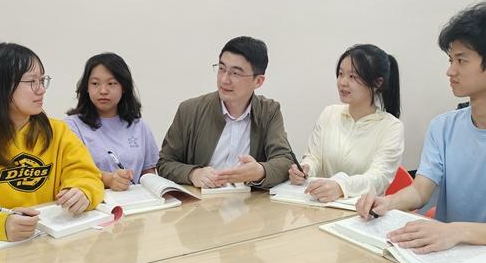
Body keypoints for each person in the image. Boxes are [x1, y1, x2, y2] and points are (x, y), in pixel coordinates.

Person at [357, 1, 486, 253]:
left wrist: (458, 231)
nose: (450, 71)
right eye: (451, 60)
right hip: (445, 258)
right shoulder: (443, 127)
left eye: (461, 61)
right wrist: (388, 202)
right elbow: (420, 191)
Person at [0, 43, 104, 242]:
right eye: (31, 81)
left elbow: (87, 174)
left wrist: (83, 191)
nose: (41, 90)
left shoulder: (57, 131)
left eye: (42, 80)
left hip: (49, 245)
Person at [157, 36, 292, 189]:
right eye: (221, 69)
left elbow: (285, 161)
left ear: (258, 81)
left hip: (249, 201)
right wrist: (193, 174)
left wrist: (260, 172)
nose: (224, 80)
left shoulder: (269, 111)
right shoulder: (190, 110)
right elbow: (164, 163)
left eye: (236, 73)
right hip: (201, 200)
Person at [289, 44, 404, 202]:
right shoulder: (329, 113)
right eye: (341, 74)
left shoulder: (391, 127)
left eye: (353, 77)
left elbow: (378, 177)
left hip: (361, 210)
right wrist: (305, 168)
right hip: (319, 205)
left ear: (377, 83)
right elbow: (314, 157)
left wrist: (341, 187)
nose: (342, 82)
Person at [66, 53, 159, 191]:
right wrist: (108, 179)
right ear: (87, 87)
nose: (103, 91)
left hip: (137, 201)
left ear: (124, 87)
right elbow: (74, 172)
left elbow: (148, 173)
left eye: (111, 83)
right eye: (95, 83)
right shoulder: (72, 126)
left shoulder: (139, 126)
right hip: (94, 201)